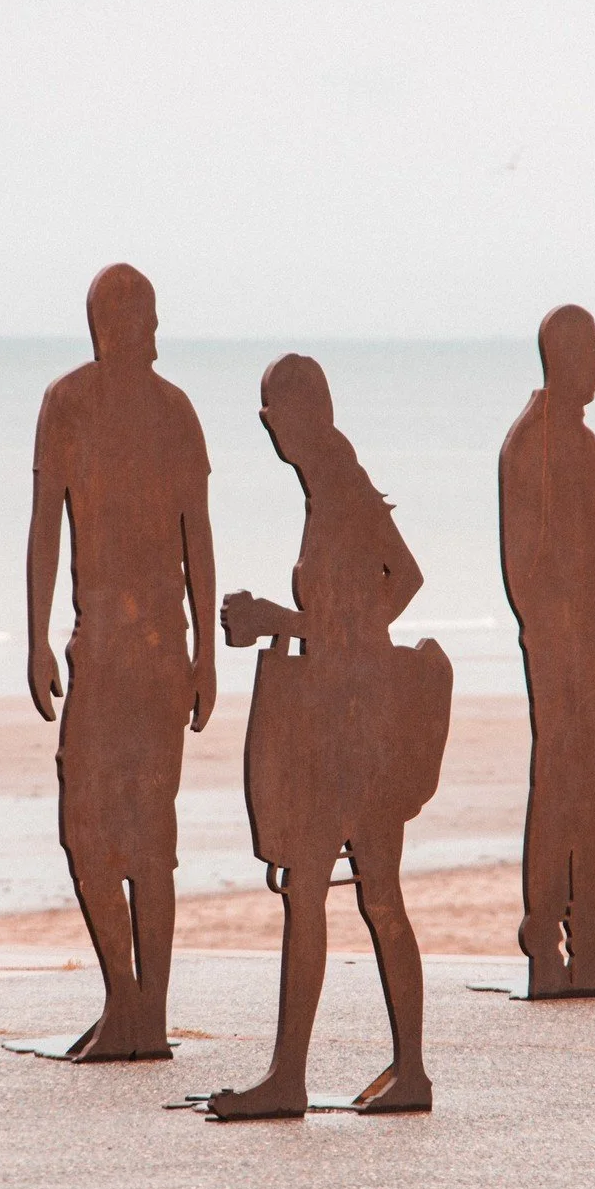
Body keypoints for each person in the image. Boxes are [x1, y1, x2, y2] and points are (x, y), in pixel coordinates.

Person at [209, 354, 448, 1119]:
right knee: (369, 894)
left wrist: (278, 621)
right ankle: (400, 1071)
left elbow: (399, 582)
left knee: (321, 891)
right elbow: (382, 594)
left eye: (272, 409)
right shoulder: (332, 486)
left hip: (351, 719)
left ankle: (297, 1078)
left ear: (299, 414)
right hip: (352, 705)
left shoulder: (338, 489)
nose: (266, 423)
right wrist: (326, 630)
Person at [26, 263, 216, 1061]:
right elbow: (45, 526)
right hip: (100, 643)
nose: (149, 333)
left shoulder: (175, 412)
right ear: (107, 325)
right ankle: (128, 1002)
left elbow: (197, 537)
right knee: (88, 827)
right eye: (135, 317)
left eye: (150, 318)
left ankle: (147, 1015)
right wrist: (35, 637)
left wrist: (207, 652)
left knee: (148, 833)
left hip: (150, 648)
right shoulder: (67, 404)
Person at [498, 305, 595, 998]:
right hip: (568, 664)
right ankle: (554, 941)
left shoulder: (571, 440)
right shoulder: (539, 444)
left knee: (593, 803)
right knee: (565, 800)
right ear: (567, 356)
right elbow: (533, 570)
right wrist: (573, 656)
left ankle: (585, 948)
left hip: (592, 658)